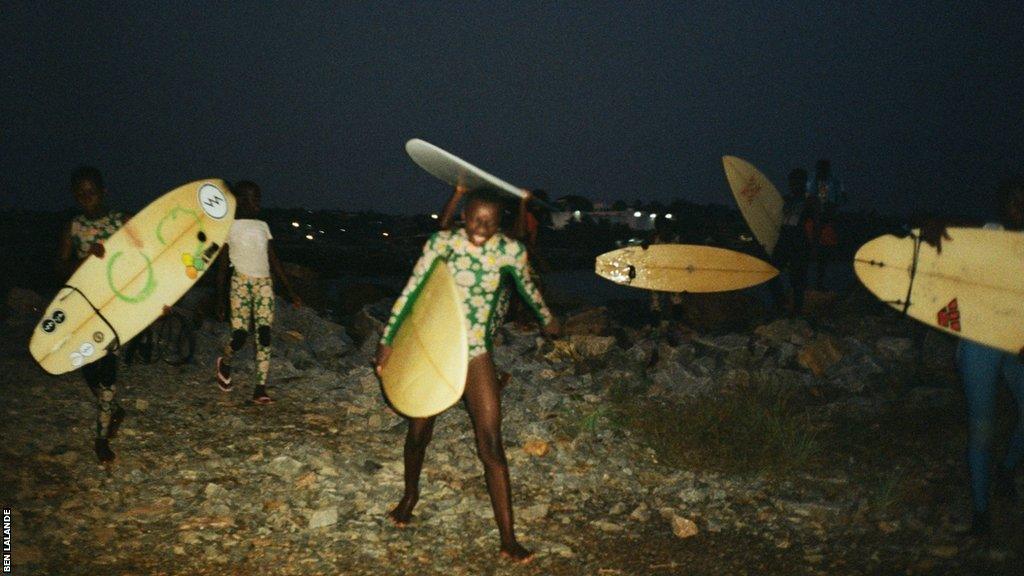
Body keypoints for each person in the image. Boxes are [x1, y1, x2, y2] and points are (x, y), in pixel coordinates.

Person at [376, 189, 560, 563]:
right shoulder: (443, 244)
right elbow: (411, 292)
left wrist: (547, 318)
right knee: (418, 432)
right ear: (464, 216)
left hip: (475, 351)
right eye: (475, 220)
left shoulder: (509, 251)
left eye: (490, 223)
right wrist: (388, 341)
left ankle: (508, 538)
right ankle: (410, 495)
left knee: (491, 444)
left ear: (499, 224)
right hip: (433, 346)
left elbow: (527, 288)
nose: (481, 228)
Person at [921, 178, 1024, 536]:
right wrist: (935, 223)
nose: (1020, 209)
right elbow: (952, 227)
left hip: (1016, 343)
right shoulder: (990, 232)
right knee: (982, 427)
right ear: (1004, 208)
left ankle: (1006, 470)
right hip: (979, 342)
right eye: (1014, 202)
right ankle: (981, 511)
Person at [56, 166, 127, 463]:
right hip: (83, 306)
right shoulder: (73, 226)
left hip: (114, 306)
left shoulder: (120, 221)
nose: (87, 197)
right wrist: (86, 259)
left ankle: (101, 437)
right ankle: (111, 408)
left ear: (103, 191)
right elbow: (61, 266)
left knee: (107, 369)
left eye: (92, 191)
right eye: (81, 193)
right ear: (75, 195)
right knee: (86, 364)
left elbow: (144, 258)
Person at [214, 181, 301, 404]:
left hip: (264, 283)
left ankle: (260, 388)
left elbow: (274, 261)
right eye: (254, 199)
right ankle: (225, 362)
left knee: (264, 334)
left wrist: (291, 292)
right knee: (240, 335)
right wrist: (220, 300)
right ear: (241, 200)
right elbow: (222, 267)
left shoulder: (263, 226)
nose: (258, 204)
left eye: (259, 199)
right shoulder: (229, 227)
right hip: (240, 283)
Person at [768, 168, 812, 315]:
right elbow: (776, 219)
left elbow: (817, 223)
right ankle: (781, 304)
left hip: (799, 242)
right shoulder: (786, 199)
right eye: (791, 182)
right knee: (770, 272)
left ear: (804, 183)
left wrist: (814, 246)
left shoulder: (811, 200)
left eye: (797, 181)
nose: (793, 185)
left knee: (797, 280)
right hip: (783, 240)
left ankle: (796, 312)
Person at [805, 159, 846, 290]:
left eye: (824, 168)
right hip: (816, 221)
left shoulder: (830, 181)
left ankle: (818, 283)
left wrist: (831, 208)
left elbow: (839, 199)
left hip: (824, 221)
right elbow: (813, 200)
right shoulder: (816, 181)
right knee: (816, 252)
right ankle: (815, 283)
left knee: (822, 254)